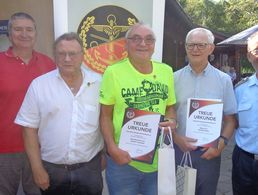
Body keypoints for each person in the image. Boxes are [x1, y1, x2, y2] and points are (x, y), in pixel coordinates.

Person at [15, 32, 104, 195]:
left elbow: (105, 121)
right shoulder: (39, 85)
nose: (67, 59)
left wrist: (105, 155)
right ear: (55, 56)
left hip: (89, 169)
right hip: (52, 170)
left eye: (73, 54)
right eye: (61, 54)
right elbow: (29, 129)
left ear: (82, 55)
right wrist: (36, 169)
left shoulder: (100, 83)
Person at [99, 22, 177, 195]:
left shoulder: (166, 71)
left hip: (158, 161)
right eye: (137, 39)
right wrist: (112, 149)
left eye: (149, 39)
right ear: (126, 44)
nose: (143, 44)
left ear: (154, 45)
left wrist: (172, 121)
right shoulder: (113, 72)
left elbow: (170, 106)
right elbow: (105, 116)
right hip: (123, 161)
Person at [174, 28, 237, 195]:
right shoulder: (173, 79)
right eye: (191, 45)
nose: (195, 49)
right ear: (186, 48)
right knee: (180, 192)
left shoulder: (224, 80)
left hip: (209, 153)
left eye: (201, 45)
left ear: (211, 48)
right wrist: (176, 138)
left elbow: (231, 120)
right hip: (180, 150)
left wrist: (221, 145)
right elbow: (167, 115)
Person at [0, 12, 56, 195]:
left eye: (29, 29)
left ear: (35, 34)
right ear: (9, 34)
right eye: (18, 29)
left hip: (41, 148)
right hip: (4, 149)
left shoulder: (48, 64)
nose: (24, 34)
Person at [232, 31, 258, 195]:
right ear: (249, 56)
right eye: (256, 50)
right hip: (245, 162)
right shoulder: (239, 90)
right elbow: (232, 122)